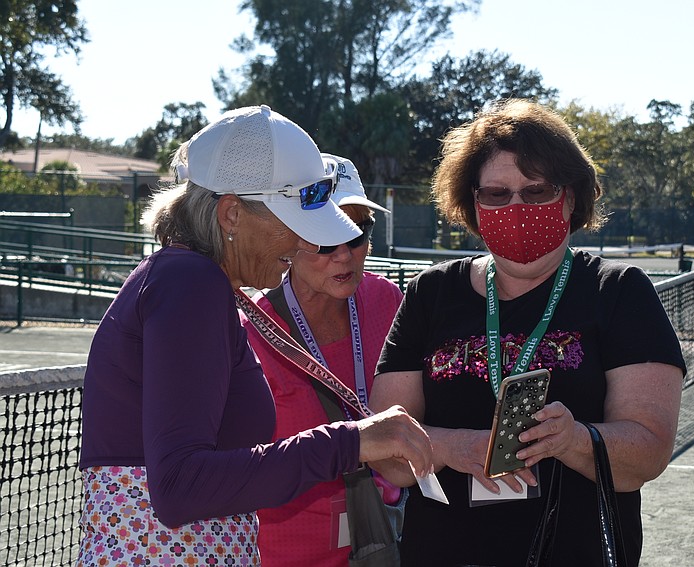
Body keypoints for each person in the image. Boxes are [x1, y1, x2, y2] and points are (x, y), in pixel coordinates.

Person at [76, 105, 432, 566]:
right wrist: (351, 442)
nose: (301, 245)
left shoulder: (186, 280)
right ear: (231, 215)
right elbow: (180, 486)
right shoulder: (191, 283)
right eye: (295, 225)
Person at [369, 98, 685, 566]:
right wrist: (453, 448)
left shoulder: (619, 293)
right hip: (443, 552)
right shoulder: (430, 294)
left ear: (571, 198)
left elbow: (649, 452)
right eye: (496, 194)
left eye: (536, 191)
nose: (516, 207)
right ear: (472, 204)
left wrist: (574, 439)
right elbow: (385, 448)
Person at [242, 153, 403, 566]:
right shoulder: (247, 329)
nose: (345, 254)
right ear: (289, 238)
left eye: (357, 232)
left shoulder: (388, 300)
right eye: (325, 239)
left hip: (386, 534)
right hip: (283, 553)